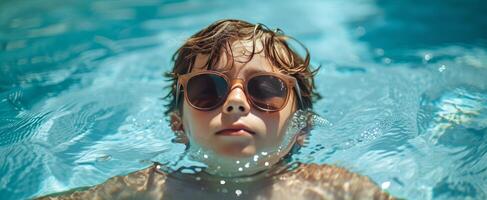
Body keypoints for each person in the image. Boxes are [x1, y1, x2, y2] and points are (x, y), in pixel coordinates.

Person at [37, 19, 394, 200]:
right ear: (179, 126)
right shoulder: (150, 188)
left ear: (301, 128)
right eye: (208, 90)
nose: (235, 102)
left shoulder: (332, 189)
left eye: (265, 89)